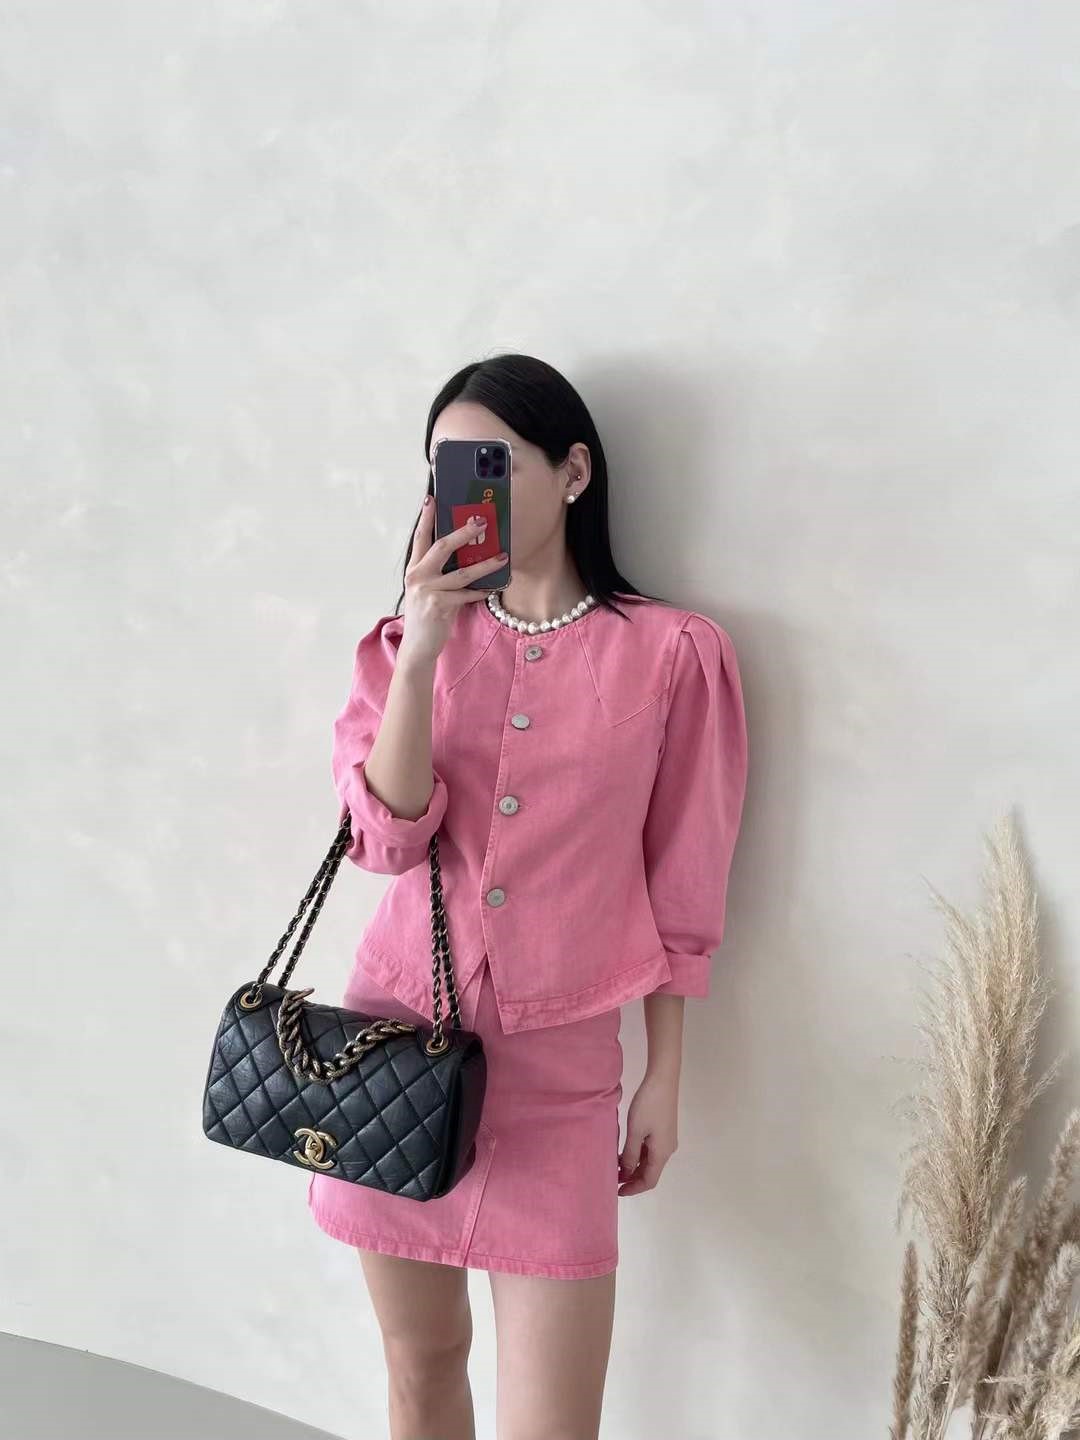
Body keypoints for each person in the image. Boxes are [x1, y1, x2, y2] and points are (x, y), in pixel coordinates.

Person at [307, 352, 749, 1440]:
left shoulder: (675, 657)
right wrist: (424, 651)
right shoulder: (404, 649)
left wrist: (665, 1078)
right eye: (448, 469)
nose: (469, 492)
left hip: (561, 1086)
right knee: (421, 1376)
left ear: (574, 472)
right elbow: (386, 843)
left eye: (493, 463)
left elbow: (684, 886)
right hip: (394, 1058)